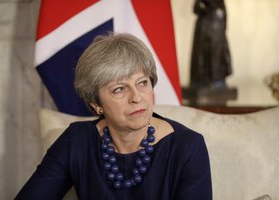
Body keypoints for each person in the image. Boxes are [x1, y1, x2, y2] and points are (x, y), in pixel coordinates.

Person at [15, 33, 212, 199]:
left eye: (142, 83)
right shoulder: (76, 141)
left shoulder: (187, 148)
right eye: (119, 89)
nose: (136, 97)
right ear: (96, 104)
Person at [190, 0, 232, 90]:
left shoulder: (219, 10)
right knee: (203, 56)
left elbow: (224, 14)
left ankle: (216, 80)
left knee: (217, 55)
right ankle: (207, 80)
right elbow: (196, 8)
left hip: (216, 27)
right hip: (206, 27)